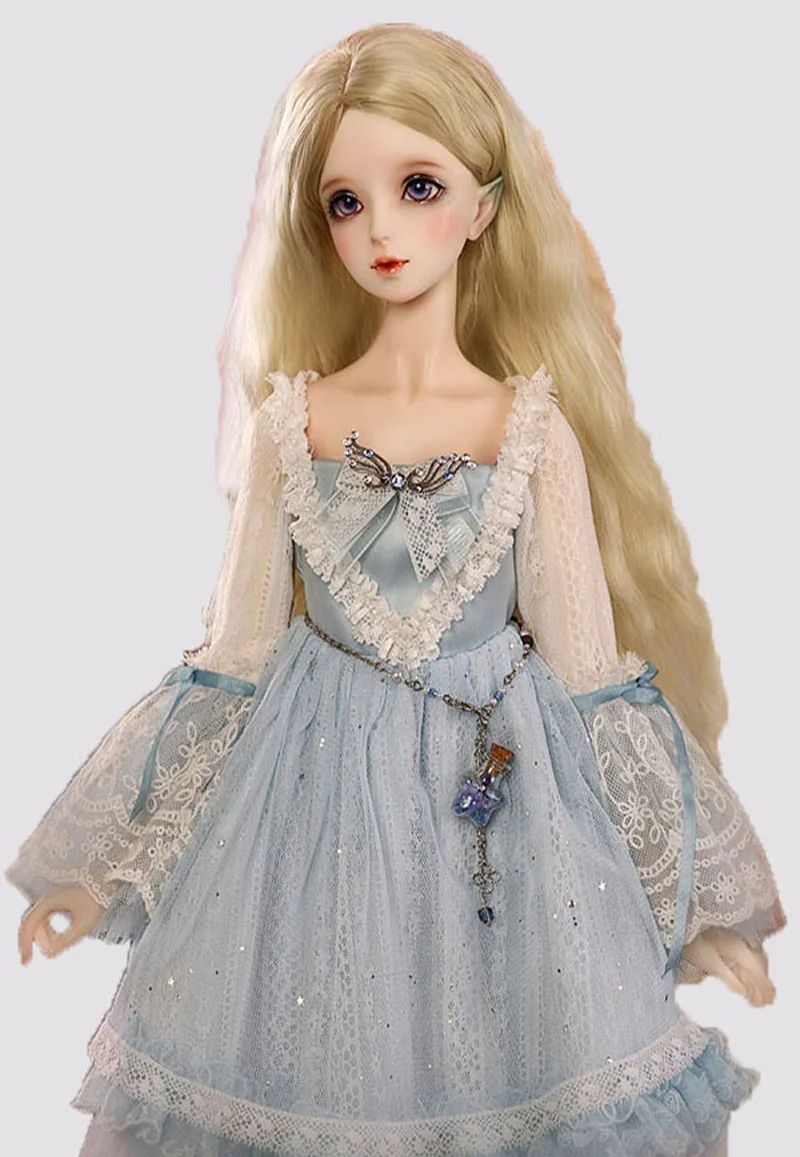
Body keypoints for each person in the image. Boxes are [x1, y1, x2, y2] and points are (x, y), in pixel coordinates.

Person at [6, 22, 785, 1157]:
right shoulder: (291, 425)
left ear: (483, 206)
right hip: (307, 812)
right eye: (344, 202)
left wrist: (694, 903)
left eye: (417, 187)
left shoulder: (529, 431)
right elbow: (230, 664)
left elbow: (590, 680)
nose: (379, 230)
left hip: (504, 811)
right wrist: (106, 864)